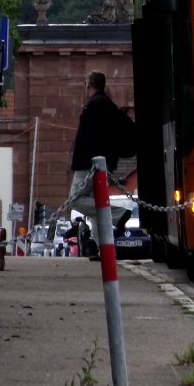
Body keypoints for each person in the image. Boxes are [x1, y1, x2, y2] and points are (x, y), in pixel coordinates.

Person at [68, 70, 121, 258]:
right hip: (102, 163)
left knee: (75, 199)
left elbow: (87, 138)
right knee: (94, 214)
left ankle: (117, 213)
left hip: (89, 165)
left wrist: (80, 161)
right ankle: (105, 250)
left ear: (88, 85)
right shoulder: (108, 105)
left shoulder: (94, 105)